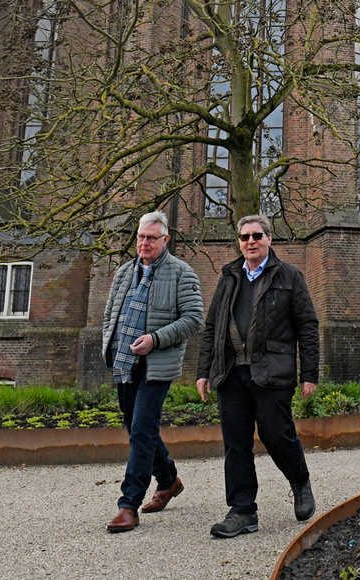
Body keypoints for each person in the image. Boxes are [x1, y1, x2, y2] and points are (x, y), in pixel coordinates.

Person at [196, 214, 319, 538]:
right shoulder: (228, 277)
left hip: (272, 373)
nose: (250, 241)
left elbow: (307, 326)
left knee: (276, 434)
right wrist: (204, 371)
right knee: (235, 443)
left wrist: (309, 373)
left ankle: (299, 481)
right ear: (239, 242)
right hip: (231, 373)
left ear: (269, 239)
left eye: (256, 236)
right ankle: (242, 511)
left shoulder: (290, 276)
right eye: (244, 236)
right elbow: (212, 328)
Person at [101, 211, 205, 533]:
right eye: (141, 238)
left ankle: (127, 505)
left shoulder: (182, 273)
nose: (144, 243)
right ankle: (169, 480)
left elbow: (194, 319)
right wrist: (110, 340)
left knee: (142, 431)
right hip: (123, 363)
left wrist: (156, 339)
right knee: (137, 429)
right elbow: (110, 315)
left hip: (156, 366)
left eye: (151, 238)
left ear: (165, 241)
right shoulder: (123, 273)